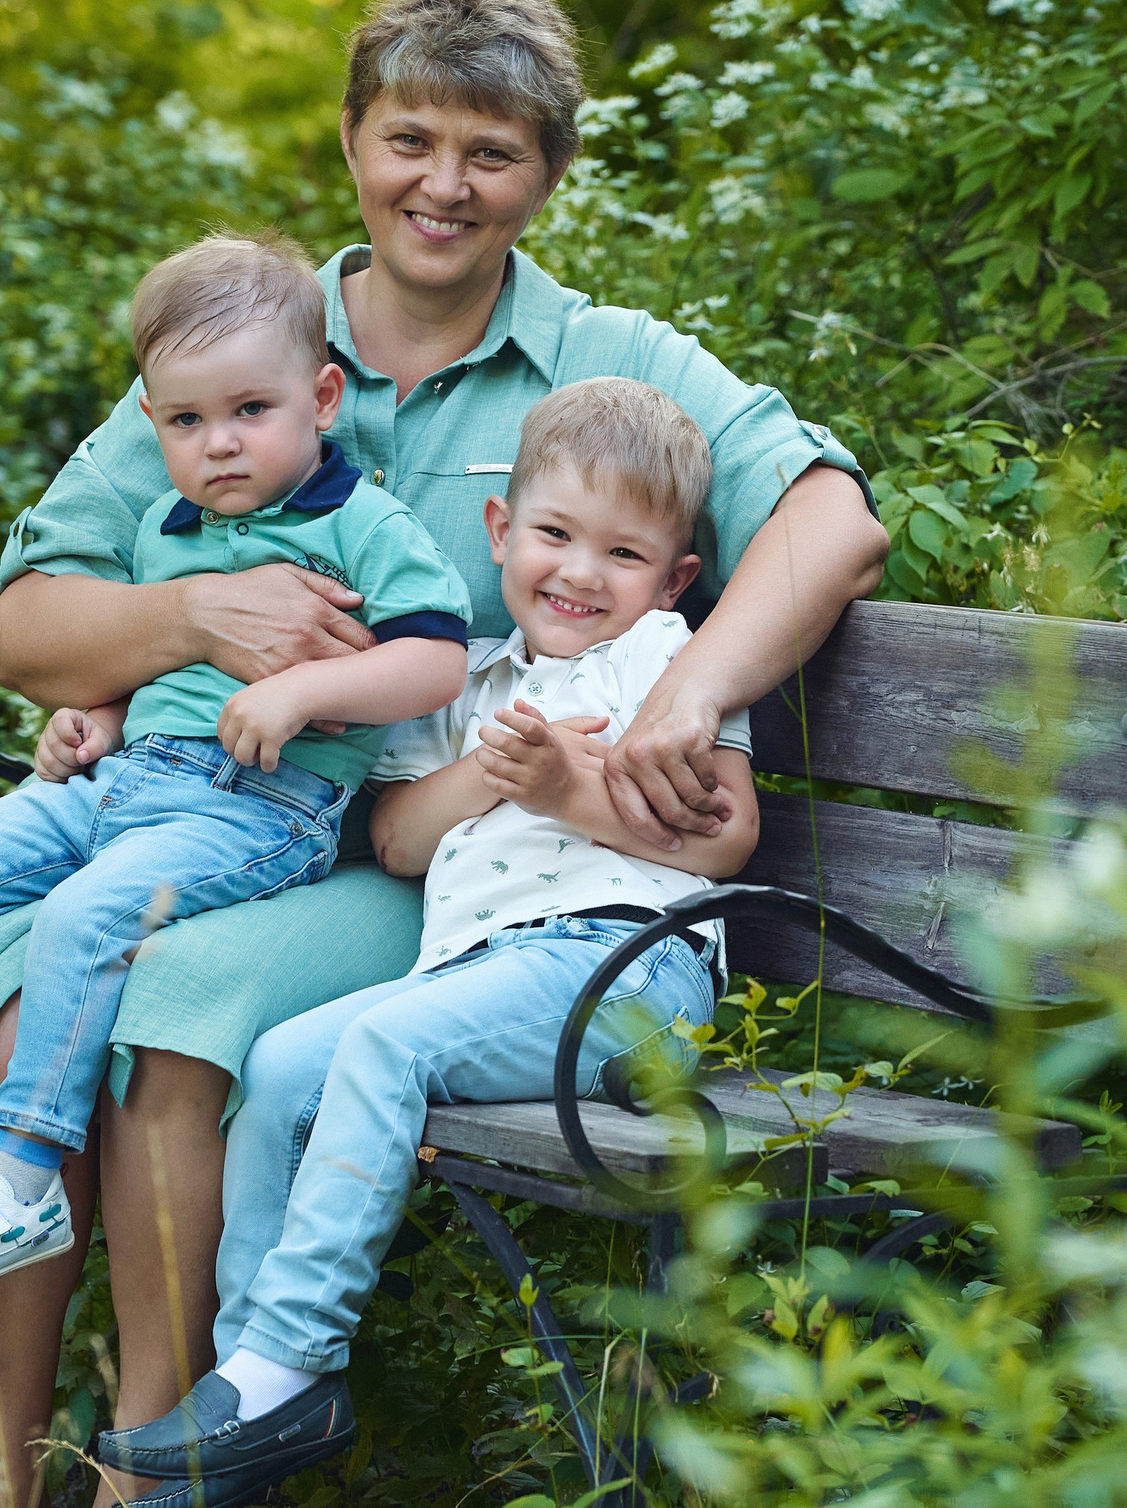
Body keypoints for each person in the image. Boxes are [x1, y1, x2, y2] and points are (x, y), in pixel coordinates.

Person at [0, 0, 887, 1508]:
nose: (443, 184)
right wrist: (187, 628)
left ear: (547, 172)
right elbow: (29, 624)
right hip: (206, 805)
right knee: (4, 1019)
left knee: (175, 995)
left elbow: (831, 519)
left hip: (412, 848)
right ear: (352, 139)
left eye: (492, 151)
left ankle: (156, 1463)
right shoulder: (257, 349)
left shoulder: (607, 363)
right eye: (409, 140)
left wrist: (690, 690)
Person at [0, 232, 470, 1286]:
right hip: (128, 781)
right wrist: (100, 714)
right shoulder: (168, 524)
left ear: (324, 396)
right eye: (186, 420)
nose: (219, 445)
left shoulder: (362, 522)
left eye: (251, 410)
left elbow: (435, 659)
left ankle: (19, 1174)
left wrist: (304, 688)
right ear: (152, 421)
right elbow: (150, 661)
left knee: (85, 917)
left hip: (261, 806)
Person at [97, 378, 754, 1505]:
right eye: (553, 534)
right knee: (279, 1064)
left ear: (673, 576)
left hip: (624, 968)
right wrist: (492, 773)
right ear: (501, 531)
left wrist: (559, 789)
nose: (580, 573)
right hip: (487, 977)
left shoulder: (662, 658)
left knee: (386, 1043)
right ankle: (246, 1386)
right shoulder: (473, 679)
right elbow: (398, 836)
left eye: (622, 552)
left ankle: (289, 1362)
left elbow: (726, 834)